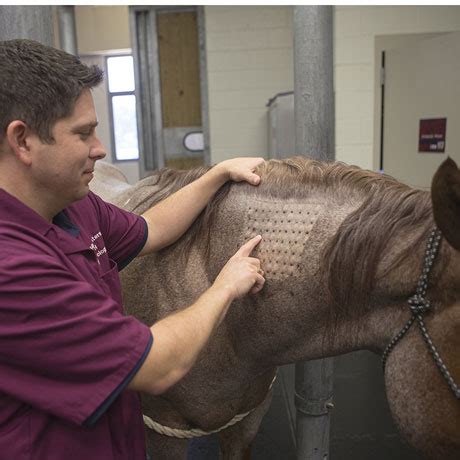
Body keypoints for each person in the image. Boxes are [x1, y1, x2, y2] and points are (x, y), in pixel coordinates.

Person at [0, 39, 265, 460]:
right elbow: (159, 364)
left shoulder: (75, 205)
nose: (100, 148)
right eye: (83, 133)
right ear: (23, 141)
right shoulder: (12, 270)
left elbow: (151, 228)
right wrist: (224, 287)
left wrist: (215, 176)